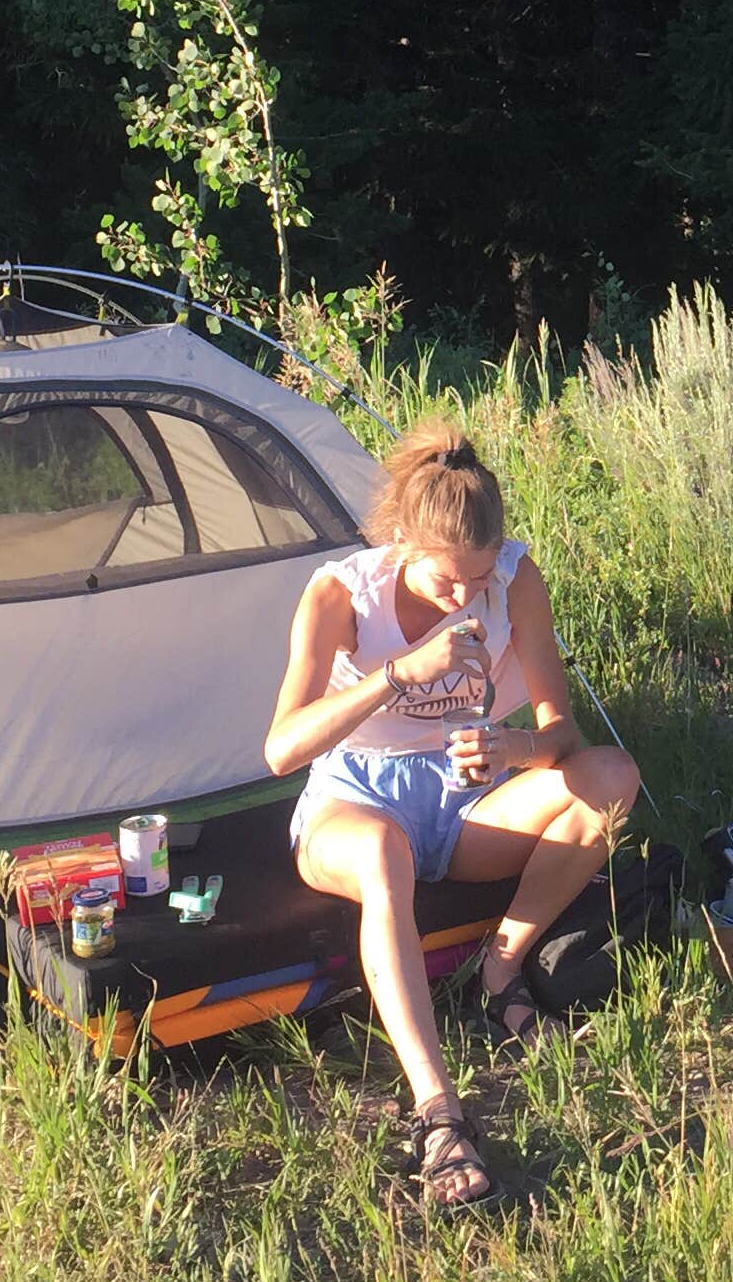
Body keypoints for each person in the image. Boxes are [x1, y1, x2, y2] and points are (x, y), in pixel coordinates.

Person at [263, 418, 639, 1208]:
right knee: (382, 858)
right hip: (354, 795)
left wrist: (510, 754)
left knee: (610, 776)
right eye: (447, 584)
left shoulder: (513, 576)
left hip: (463, 796)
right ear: (401, 540)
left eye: (478, 580)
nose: (466, 597)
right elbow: (281, 750)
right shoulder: (341, 591)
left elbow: (561, 731)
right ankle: (438, 1111)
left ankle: (500, 970)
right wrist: (399, 674)